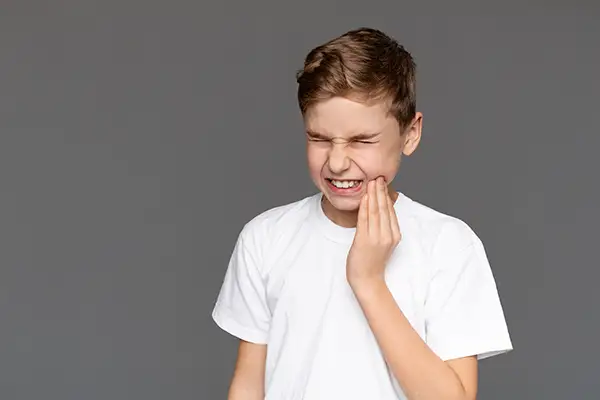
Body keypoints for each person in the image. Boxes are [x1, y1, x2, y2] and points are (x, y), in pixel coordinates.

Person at [211, 27, 513, 400]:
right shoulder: (265, 237)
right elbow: (247, 386)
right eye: (319, 138)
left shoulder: (449, 245)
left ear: (410, 134)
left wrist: (368, 281)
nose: (337, 162)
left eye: (362, 140)